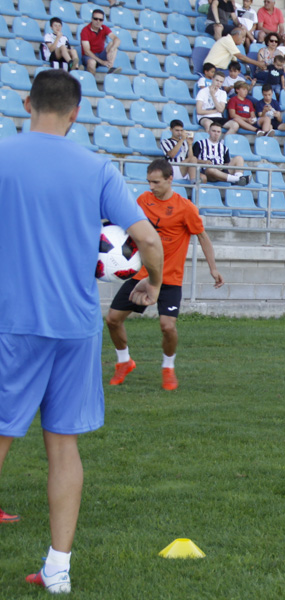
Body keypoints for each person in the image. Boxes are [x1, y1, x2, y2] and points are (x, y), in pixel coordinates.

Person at [0, 69, 164, 594]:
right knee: (63, 445)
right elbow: (149, 241)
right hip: (75, 326)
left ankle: (57, 569)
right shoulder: (97, 168)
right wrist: (152, 286)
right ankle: (58, 569)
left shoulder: (4, 155)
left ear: (27, 103)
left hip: (13, 322)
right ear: (76, 112)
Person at [105, 158, 224, 392]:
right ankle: (124, 361)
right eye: (149, 182)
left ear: (171, 179)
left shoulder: (185, 208)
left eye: (156, 182)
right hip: (142, 275)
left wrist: (213, 268)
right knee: (112, 319)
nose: (151, 187)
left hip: (169, 279)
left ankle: (168, 368)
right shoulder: (142, 200)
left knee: (167, 327)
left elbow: (202, 236)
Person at [193, 120, 250, 184]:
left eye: (218, 132)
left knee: (239, 158)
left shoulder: (224, 148)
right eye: (213, 131)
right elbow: (192, 160)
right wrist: (204, 162)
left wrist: (221, 166)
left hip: (222, 171)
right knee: (210, 169)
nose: (216, 133)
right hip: (207, 172)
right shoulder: (199, 144)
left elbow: (226, 163)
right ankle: (237, 179)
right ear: (209, 132)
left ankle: (239, 178)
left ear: (220, 133)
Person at [80, 9, 120, 73]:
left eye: (100, 20)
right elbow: (87, 51)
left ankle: (110, 67)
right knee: (92, 62)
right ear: (92, 19)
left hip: (100, 54)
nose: (98, 21)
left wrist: (112, 49)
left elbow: (117, 39)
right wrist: (102, 62)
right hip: (89, 56)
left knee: (113, 44)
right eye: (96, 19)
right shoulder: (85, 31)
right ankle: (91, 81)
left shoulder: (104, 28)